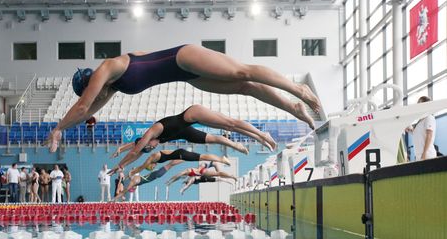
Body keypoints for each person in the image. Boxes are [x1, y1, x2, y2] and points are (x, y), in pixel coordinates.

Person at [45, 44, 321, 152]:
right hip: (186, 75)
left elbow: (82, 106)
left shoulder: (108, 68)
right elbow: (87, 109)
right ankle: (292, 106)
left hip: (183, 57)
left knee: (242, 72)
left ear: (91, 81)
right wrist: (64, 128)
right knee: (243, 87)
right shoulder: (114, 86)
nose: (98, 95)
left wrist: (57, 129)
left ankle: (297, 90)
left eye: (94, 89)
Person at [109, 104, 273, 173]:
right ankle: (241, 144)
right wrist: (120, 150)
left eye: (150, 146)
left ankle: (261, 134)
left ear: (146, 140)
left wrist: (120, 165)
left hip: (192, 114)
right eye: (151, 149)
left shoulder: (153, 130)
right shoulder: (152, 140)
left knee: (229, 124)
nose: (153, 147)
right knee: (217, 138)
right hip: (185, 131)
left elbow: (136, 150)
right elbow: (136, 149)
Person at [127, 148, 231, 179]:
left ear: (151, 164)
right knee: (199, 157)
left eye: (152, 166)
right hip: (180, 155)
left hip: (181, 153)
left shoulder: (152, 157)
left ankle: (220, 159)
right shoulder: (157, 159)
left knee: (201, 156)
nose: (155, 166)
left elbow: (141, 167)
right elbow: (172, 162)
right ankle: (219, 160)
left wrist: (131, 173)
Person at [113, 160, 184, 202]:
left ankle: (183, 159)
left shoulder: (134, 181)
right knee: (170, 164)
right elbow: (129, 177)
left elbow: (124, 191)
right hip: (155, 174)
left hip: (156, 174)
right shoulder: (136, 178)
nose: (134, 188)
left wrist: (114, 199)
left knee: (170, 164)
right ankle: (183, 159)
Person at [408, 96, 437, 161]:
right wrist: (410, 130)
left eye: (419, 103)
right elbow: (418, 134)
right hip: (419, 155)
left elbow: (429, 135)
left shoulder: (429, 117)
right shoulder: (420, 121)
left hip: (427, 155)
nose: (418, 106)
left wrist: (424, 153)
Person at [166, 162, 237, 186]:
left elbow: (176, 176)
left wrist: (170, 181)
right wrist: (171, 182)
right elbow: (178, 178)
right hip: (201, 171)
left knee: (219, 174)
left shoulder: (186, 171)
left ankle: (231, 176)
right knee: (219, 174)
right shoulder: (188, 174)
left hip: (202, 172)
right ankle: (214, 164)